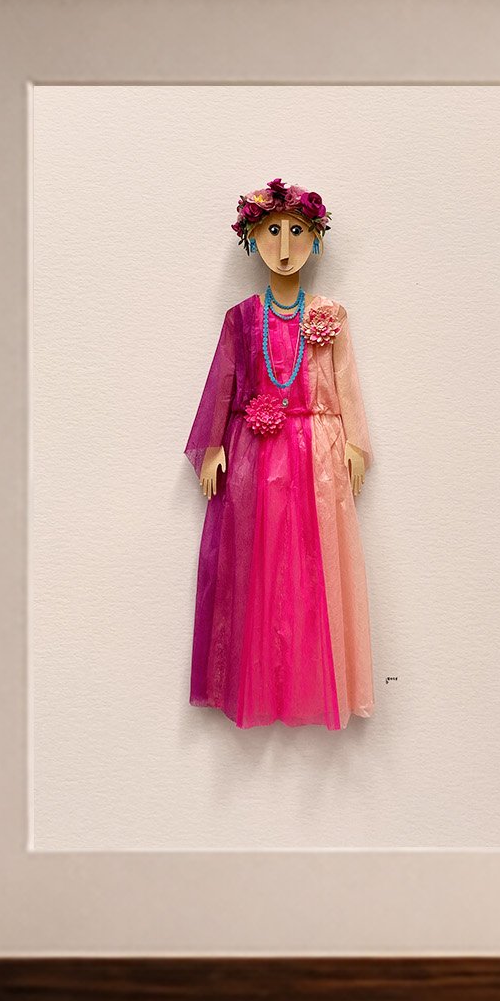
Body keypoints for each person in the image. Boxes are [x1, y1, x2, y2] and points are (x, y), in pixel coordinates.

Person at [184, 177, 373, 730]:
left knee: (315, 568)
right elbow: (222, 381)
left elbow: (346, 381)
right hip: (254, 455)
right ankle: (259, 678)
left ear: (315, 239)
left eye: (297, 231)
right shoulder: (242, 317)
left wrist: (357, 441)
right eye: (271, 231)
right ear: (251, 239)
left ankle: (311, 679)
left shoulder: (330, 314)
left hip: (317, 451)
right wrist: (213, 444)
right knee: (258, 566)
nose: (285, 246)